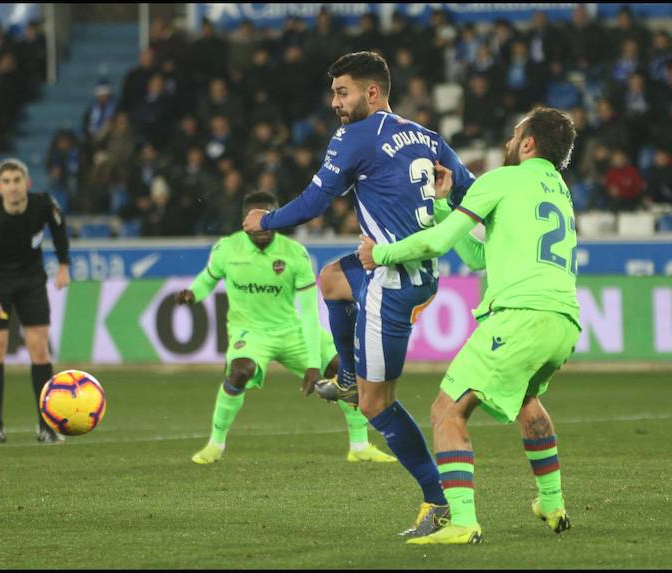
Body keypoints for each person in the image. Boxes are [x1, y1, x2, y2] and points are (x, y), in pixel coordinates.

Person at [242, 51, 476, 537]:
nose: (335, 103)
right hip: (412, 270)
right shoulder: (428, 137)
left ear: (373, 92)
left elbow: (313, 203)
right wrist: (445, 205)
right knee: (330, 278)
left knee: (375, 405)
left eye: (342, 92)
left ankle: (439, 500)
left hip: (390, 283)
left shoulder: (356, 136)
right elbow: (471, 196)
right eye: (333, 93)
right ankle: (347, 375)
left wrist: (264, 220)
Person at [358, 106, 581, 545]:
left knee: (447, 410)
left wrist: (381, 254)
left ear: (529, 143)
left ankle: (461, 521)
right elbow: (479, 258)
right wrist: (443, 205)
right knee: (528, 401)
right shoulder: (559, 191)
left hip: (520, 317)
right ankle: (552, 503)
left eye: (515, 136)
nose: (508, 143)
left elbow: (438, 243)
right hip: (563, 322)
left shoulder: (502, 179)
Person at [177, 190, 396, 466]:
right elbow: (208, 279)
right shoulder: (226, 249)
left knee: (343, 367)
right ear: (245, 220)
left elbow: (308, 311)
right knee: (239, 371)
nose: (263, 226)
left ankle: (360, 445)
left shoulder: (295, 254)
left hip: (292, 329)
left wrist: (313, 364)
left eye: (271, 217)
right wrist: (192, 294)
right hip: (251, 332)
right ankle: (215, 444)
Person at [0, 158, 72, 445]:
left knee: (39, 350)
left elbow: (59, 228)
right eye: (7, 182)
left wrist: (64, 264)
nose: (12, 187)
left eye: (17, 180)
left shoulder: (43, 205)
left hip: (31, 282)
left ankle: (46, 425)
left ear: (28, 183)